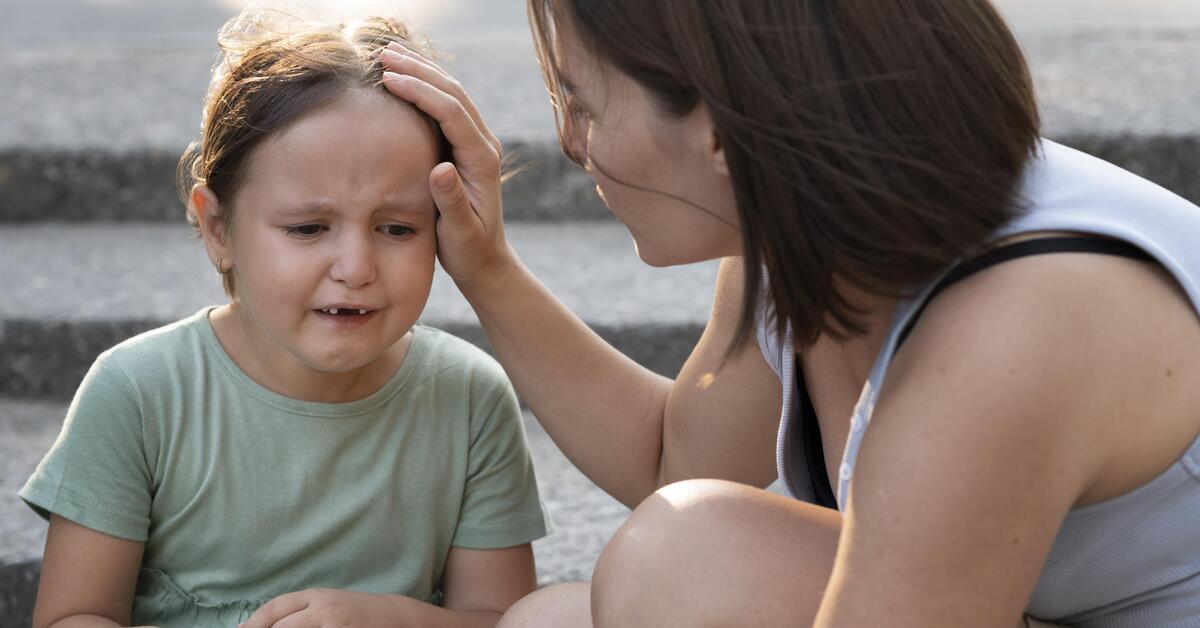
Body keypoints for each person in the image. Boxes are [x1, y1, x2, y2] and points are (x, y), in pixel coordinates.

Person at [377, 0, 1200, 626]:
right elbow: (676, 459)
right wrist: (484, 266)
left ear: (722, 132)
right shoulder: (807, 230)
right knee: (556, 616)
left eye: (581, 100)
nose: (567, 140)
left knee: (685, 560)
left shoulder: (1009, 332)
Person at [20, 11, 549, 628]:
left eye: (398, 228)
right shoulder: (137, 393)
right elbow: (73, 616)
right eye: (308, 228)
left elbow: (503, 619)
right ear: (218, 229)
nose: (355, 267)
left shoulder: (468, 397)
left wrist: (387, 619)